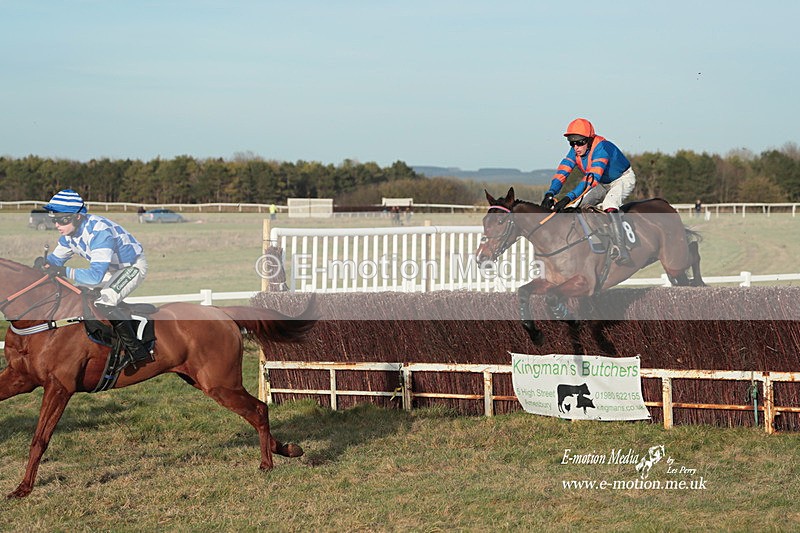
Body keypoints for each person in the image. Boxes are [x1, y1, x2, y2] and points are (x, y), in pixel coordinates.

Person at [42, 189, 152, 367]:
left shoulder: (100, 233)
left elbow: (94, 277)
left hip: (131, 267)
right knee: (79, 296)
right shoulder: (69, 234)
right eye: (54, 219)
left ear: (77, 217)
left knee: (105, 302)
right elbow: (55, 261)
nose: (57, 225)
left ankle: (137, 351)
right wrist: (43, 263)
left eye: (62, 219)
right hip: (108, 269)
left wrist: (63, 271)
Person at [541, 118, 636, 266]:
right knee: (573, 208)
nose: (576, 147)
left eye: (580, 142)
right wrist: (550, 193)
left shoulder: (602, 148)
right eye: (572, 143)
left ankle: (621, 249)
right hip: (602, 183)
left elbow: (590, 181)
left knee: (609, 204)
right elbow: (563, 172)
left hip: (622, 179)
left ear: (590, 140)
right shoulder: (575, 151)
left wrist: (567, 197)